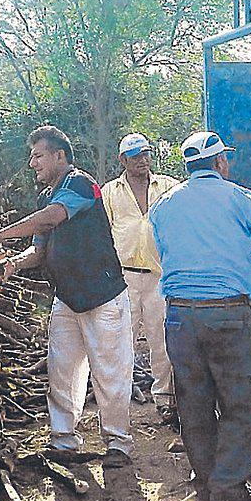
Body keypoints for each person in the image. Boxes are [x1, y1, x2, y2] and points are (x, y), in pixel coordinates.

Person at [148, 131, 251, 501]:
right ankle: (228, 487)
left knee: (193, 401)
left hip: (179, 316)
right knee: (240, 403)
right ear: (220, 163)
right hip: (227, 314)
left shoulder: (163, 205)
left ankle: (206, 477)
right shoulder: (242, 199)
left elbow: (161, 253)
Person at [0, 125, 134, 467]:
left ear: (59, 155)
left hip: (102, 295)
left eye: (38, 156)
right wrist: (13, 263)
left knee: (110, 371)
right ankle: (63, 441)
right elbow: (39, 250)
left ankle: (118, 444)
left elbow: (50, 220)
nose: (32, 163)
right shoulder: (46, 196)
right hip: (67, 297)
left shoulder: (80, 184)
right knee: (62, 371)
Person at [101, 133, 180, 406]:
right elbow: (102, 234)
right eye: (135, 156)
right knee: (121, 341)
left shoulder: (168, 187)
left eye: (145, 154)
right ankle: (118, 402)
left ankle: (165, 399)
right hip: (125, 277)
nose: (142, 160)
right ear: (123, 160)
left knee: (162, 341)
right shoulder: (110, 192)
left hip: (160, 276)